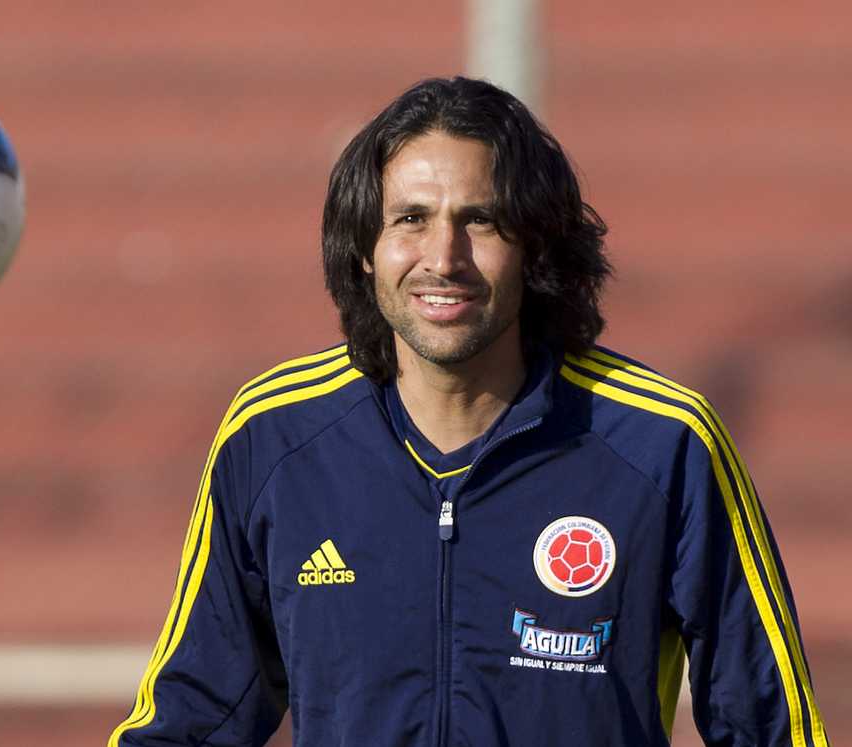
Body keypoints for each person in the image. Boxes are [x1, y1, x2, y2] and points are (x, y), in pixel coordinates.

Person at [108, 77, 828, 746]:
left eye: (480, 219)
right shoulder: (274, 439)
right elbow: (191, 718)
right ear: (365, 246)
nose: (443, 256)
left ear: (535, 245)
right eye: (411, 219)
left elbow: (772, 725)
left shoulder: (663, 444)